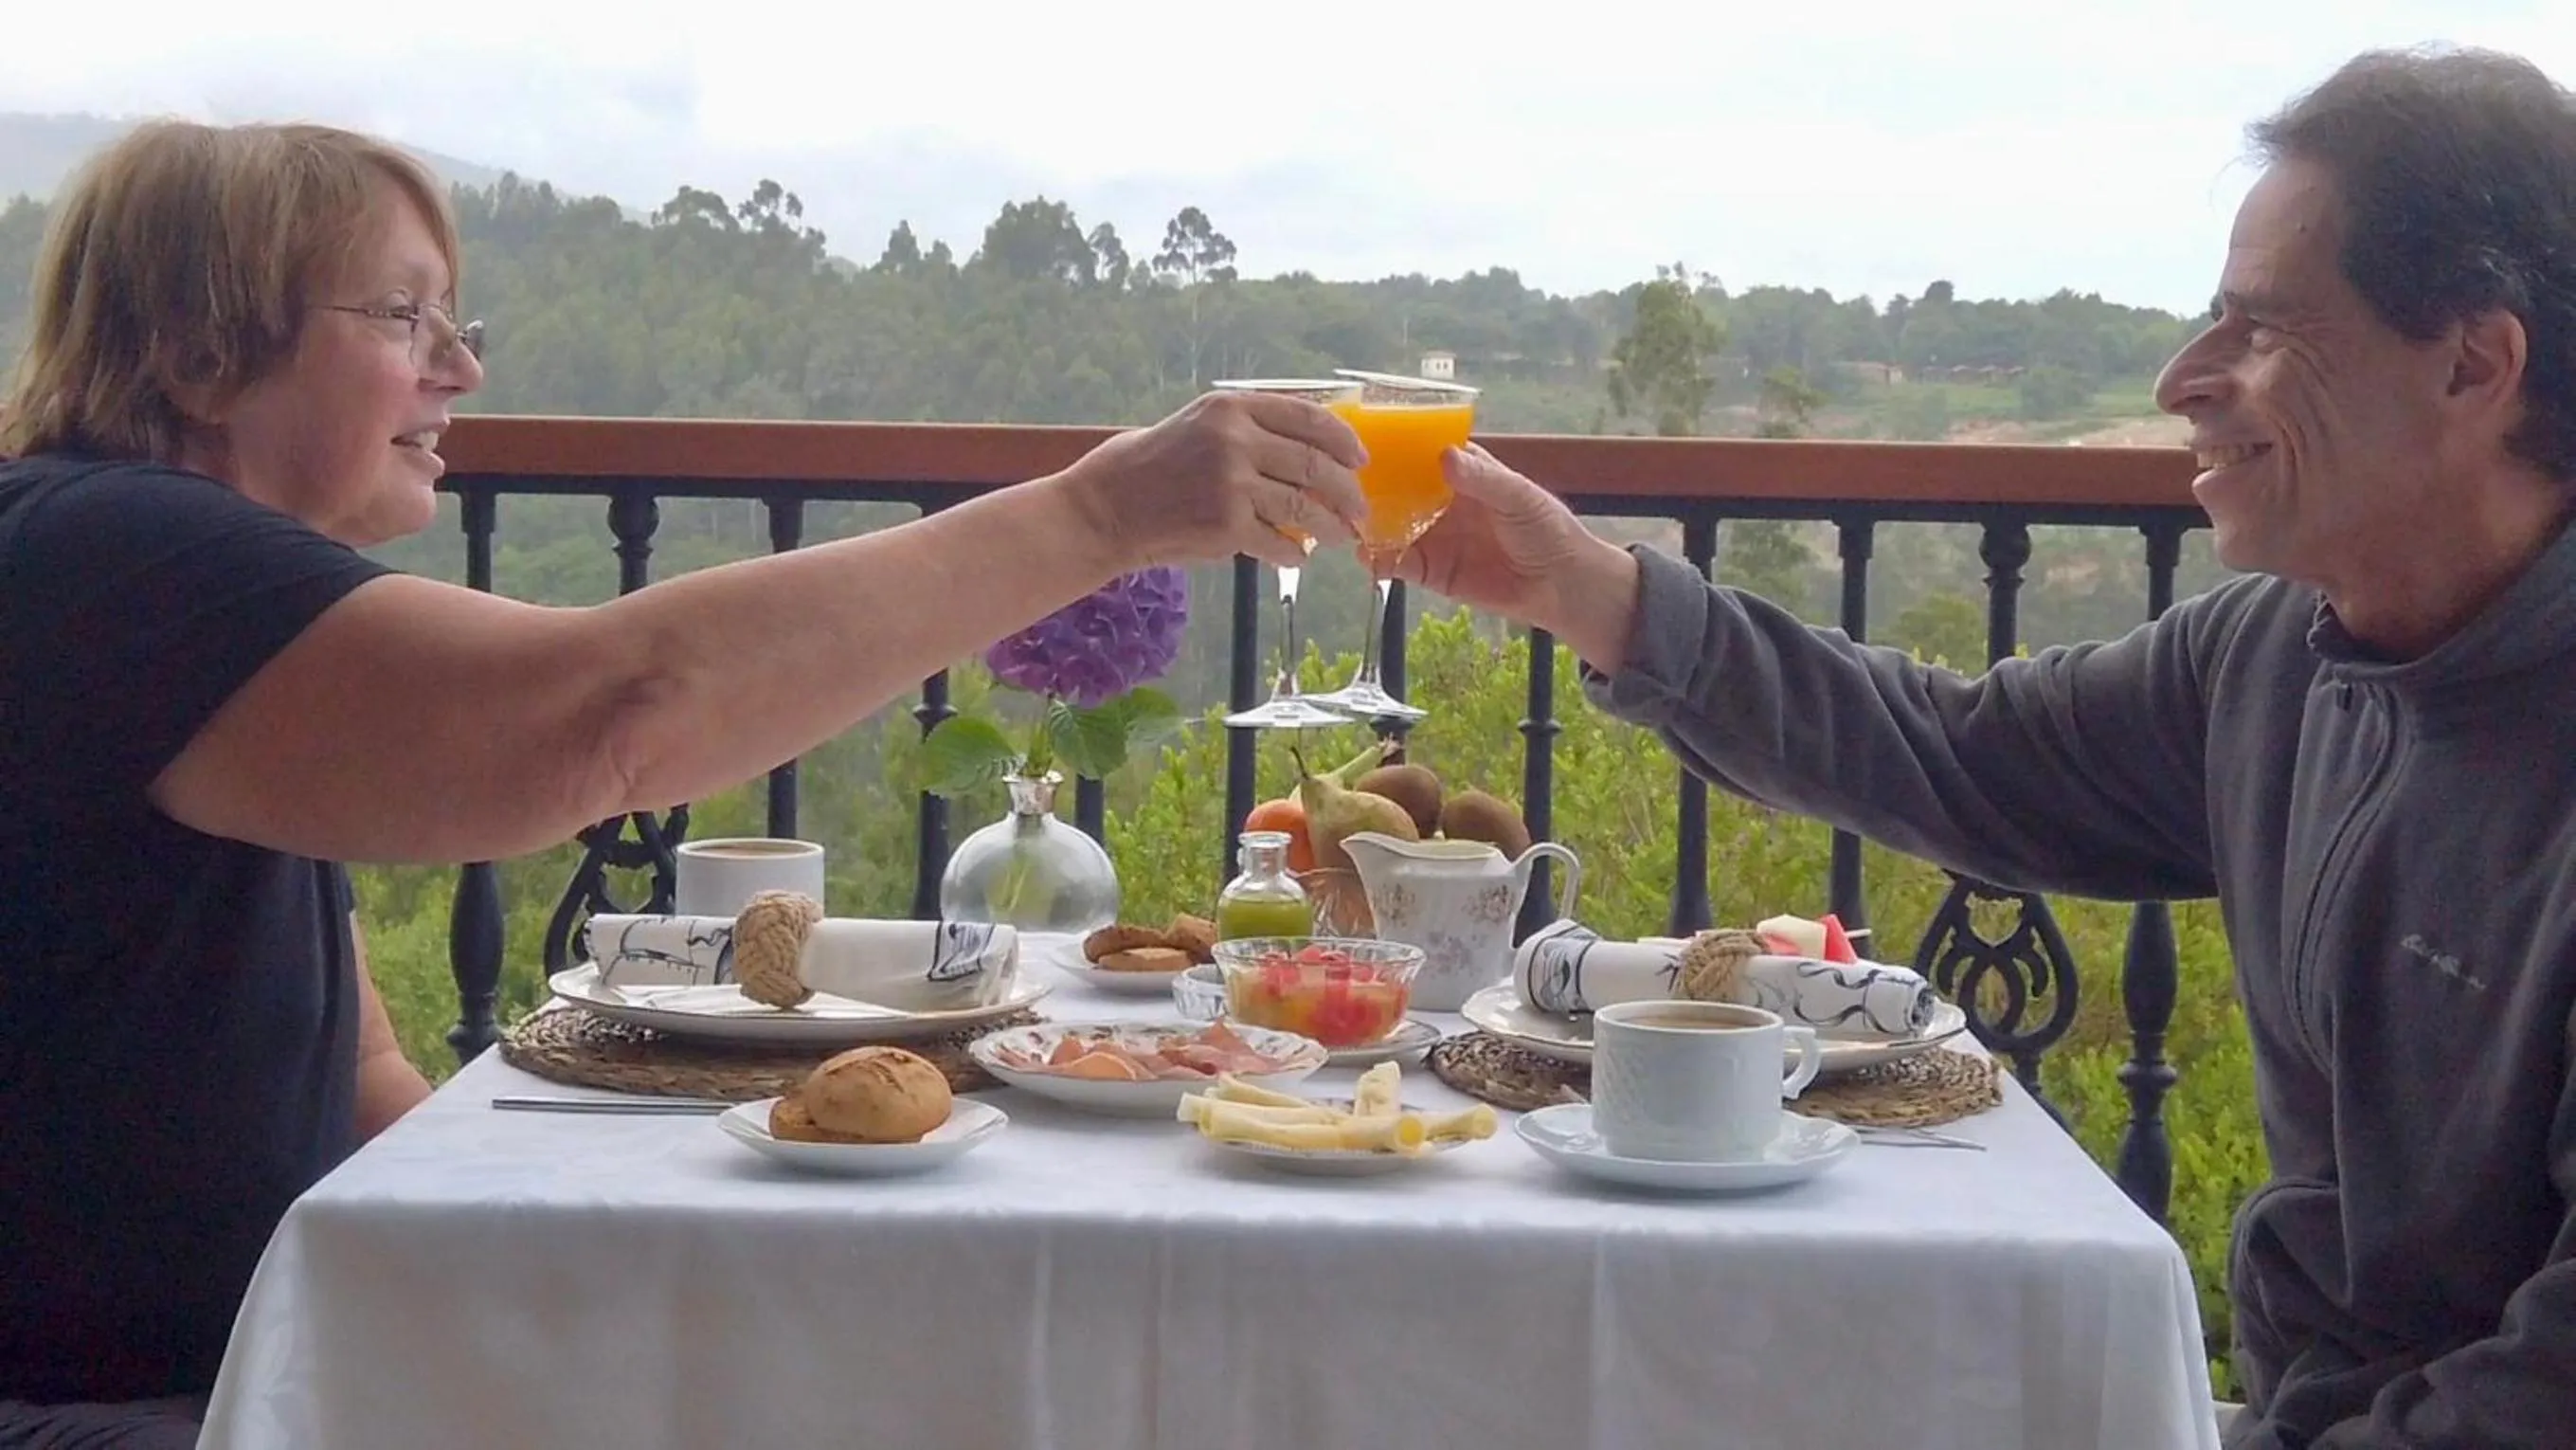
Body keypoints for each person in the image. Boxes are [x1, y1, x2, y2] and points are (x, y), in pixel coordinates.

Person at [0, 119, 1366, 1445]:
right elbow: (613, 716)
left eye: (458, 322)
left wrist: (578, 1267)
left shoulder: (158, 598)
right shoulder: (111, 560)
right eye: (401, 316)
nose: (458, 371)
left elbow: (359, 1074)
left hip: (258, 1361)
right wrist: (1097, 514)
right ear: (196, 354)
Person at [1400, 45, 2576, 1450]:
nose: (2179, 380)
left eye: (2261, 329)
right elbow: (1954, 749)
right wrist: (1589, 591)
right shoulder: (2269, 661)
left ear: (2471, 364)